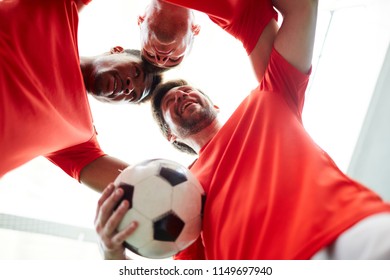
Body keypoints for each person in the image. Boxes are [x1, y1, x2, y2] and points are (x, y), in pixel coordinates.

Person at [95, 0, 390, 260]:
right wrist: (113, 256)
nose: (181, 96)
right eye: (170, 103)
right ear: (171, 135)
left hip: (354, 233)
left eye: (185, 91)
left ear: (216, 105)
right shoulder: (181, 192)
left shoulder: (269, 97)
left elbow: (303, 7)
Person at [0, 0, 163, 193]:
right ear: (116, 51)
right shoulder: (58, 11)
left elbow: (142, 189)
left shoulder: (80, 137)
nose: (129, 86)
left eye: (132, 95)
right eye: (136, 72)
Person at [138, 0, 278, 81]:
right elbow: (276, 89)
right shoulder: (236, 17)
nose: (161, 59)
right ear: (195, 30)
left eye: (149, 55)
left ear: (140, 20)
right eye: (174, 59)